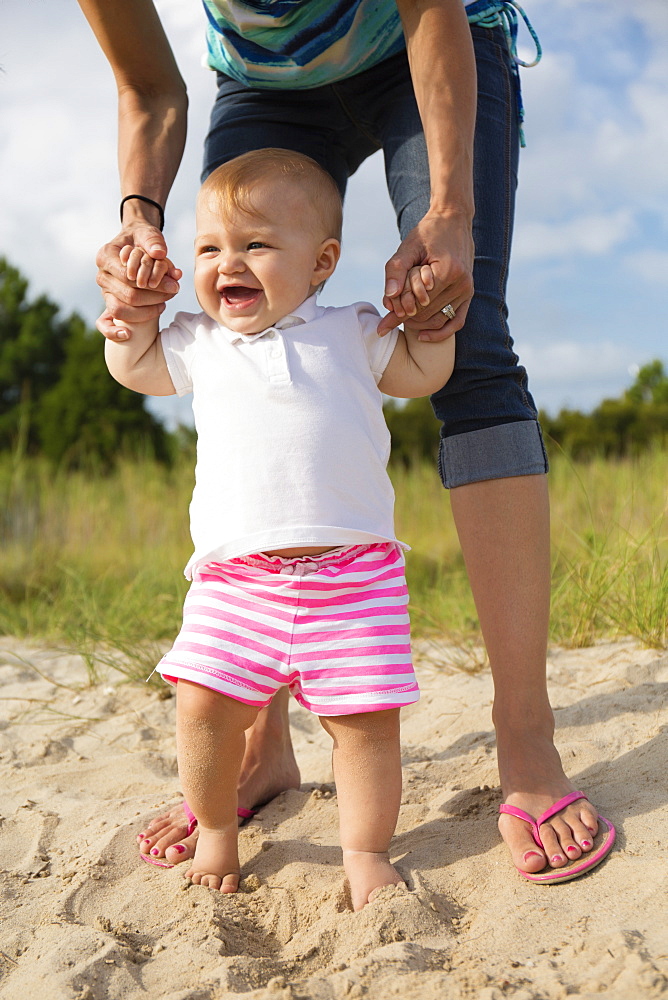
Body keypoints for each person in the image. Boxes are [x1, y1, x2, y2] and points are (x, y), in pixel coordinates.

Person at [78, 0, 614, 883]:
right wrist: (140, 220)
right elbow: (147, 84)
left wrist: (449, 212)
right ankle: (261, 748)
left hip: (422, 42)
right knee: (239, 285)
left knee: (467, 337)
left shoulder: (355, 330)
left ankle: (526, 741)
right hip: (265, 81)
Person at [104, 148, 456, 908]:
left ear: (322, 260)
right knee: (201, 708)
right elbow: (135, 367)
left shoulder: (353, 330)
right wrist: (133, 313)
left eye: (256, 244)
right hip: (238, 582)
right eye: (209, 248)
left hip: (353, 578)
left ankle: (364, 850)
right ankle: (217, 830)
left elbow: (420, 376)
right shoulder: (200, 339)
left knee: (366, 729)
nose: (227, 262)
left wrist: (433, 321)